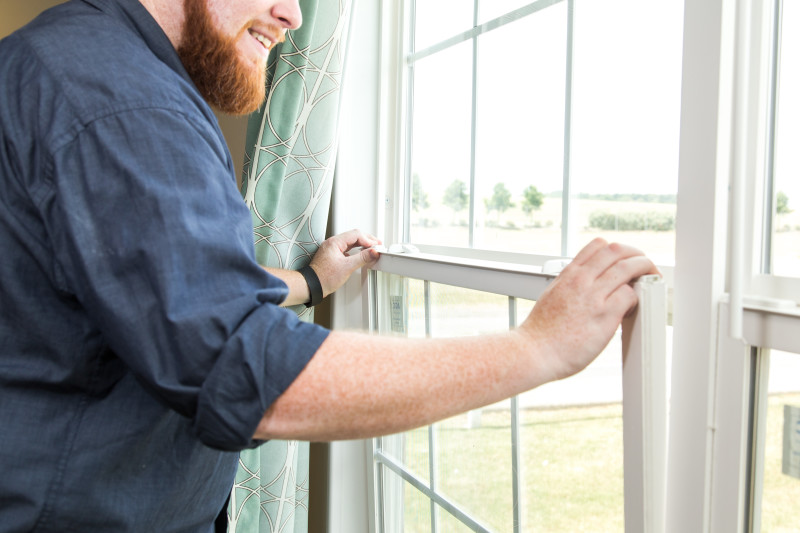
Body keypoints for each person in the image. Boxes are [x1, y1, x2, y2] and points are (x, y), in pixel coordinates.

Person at [0, 0, 658, 531]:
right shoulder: (121, 99)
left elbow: (148, 290)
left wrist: (311, 282)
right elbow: (248, 370)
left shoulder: (74, 63)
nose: (292, 15)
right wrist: (537, 347)